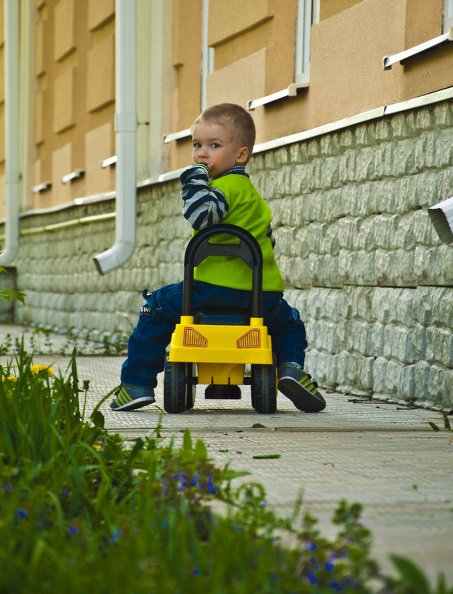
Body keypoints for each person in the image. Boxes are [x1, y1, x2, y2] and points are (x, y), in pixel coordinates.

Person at [111, 103, 325, 413]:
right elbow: (267, 240)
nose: (201, 154)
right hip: (260, 295)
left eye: (214, 146)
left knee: (155, 306)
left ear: (241, 155)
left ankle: (136, 383)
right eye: (197, 145)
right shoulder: (251, 195)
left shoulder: (222, 189)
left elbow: (203, 218)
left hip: (208, 290)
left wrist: (193, 180)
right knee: (289, 323)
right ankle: (291, 367)